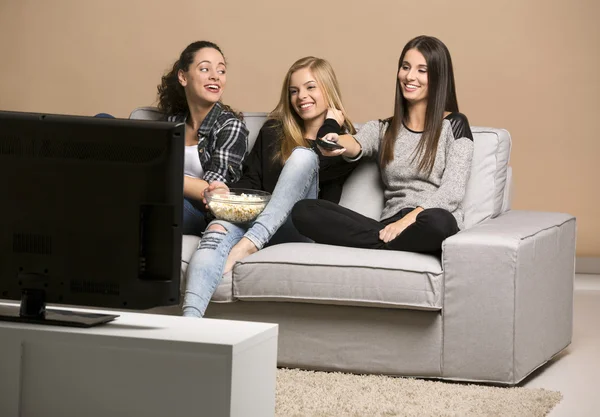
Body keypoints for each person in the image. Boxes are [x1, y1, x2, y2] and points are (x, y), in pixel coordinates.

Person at [183, 56, 358, 317]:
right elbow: (251, 181)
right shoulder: (274, 130)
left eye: (311, 87)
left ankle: (250, 243)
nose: (301, 97)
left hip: (298, 227)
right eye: (294, 91)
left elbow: (326, 164)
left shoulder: (343, 142)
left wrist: (331, 124)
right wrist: (225, 193)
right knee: (215, 229)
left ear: (327, 90)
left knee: (303, 156)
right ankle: (188, 327)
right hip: (254, 218)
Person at [292, 35, 474, 254]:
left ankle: (379, 245)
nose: (409, 76)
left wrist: (404, 223)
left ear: (438, 77)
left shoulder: (455, 124)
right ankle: (389, 245)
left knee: (439, 222)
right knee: (305, 210)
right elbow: (355, 144)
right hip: (386, 225)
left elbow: (452, 191)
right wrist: (335, 137)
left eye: (421, 70)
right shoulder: (384, 128)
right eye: (405, 67)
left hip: (428, 219)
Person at [157, 40, 248, 236]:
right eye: (205, 69)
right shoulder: (172, 122)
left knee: (167, 205)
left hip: (201, 214)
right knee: (103, 121)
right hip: (161, 197)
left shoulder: (230, 126)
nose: (215, 76)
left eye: (221, 71)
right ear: (183, 77)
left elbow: (214, 193)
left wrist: (160, 176)